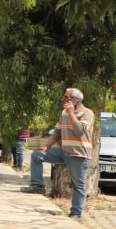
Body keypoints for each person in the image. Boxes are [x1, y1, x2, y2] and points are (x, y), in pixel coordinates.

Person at [26, 87, 94, 222]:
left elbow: (79, 129)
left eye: (66, 97)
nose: (63, 100)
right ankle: (37, 186)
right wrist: (46, 147)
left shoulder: (87, 113)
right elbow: (57, 132)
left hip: (79, 155)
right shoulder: (64, 113)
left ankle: (76, 213)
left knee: (78, 185)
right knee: (37, 155)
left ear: (77, 100)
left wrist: (71, 113)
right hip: (64, 152)